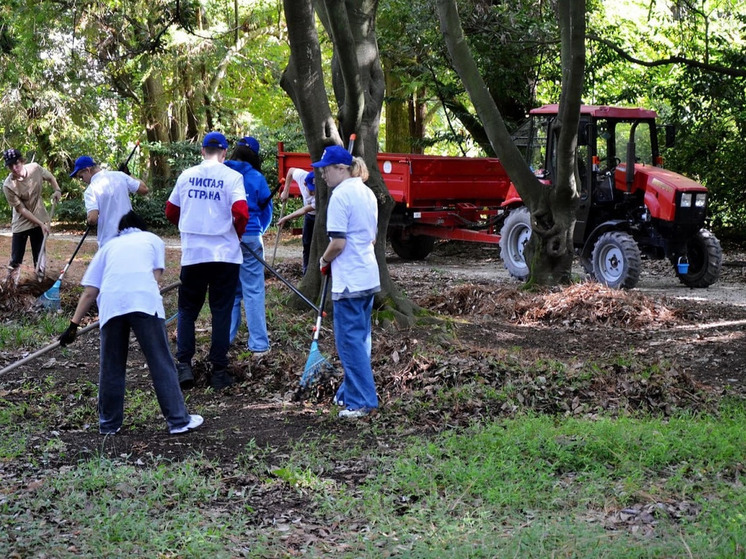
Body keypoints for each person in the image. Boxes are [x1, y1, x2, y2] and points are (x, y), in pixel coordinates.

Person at [58, 211, 203, 435]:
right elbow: (155, 277)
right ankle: (178, 421)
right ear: (142, 225)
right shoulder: (153, 239)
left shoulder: (108, 247)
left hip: (111, 304)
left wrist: (73, 325)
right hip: (144, 301)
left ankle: (108, 424)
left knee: (111, 365)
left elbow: (90, 292)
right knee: (160, 361)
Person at [165, 131, 248, 390]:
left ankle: (184, 366)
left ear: (202, 151)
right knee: (221, 311)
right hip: (225, 255)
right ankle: (219, 370)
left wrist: (189, 227)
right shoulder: (233, 177)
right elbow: (241, 213)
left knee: (188, 310)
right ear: (224, 153)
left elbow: (171, 211)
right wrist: (235, 234)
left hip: (194, 255)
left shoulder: (186, 175)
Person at [313, 145, 380, 419]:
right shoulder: (367, 193)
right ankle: (348, 392)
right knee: (361, 339)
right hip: (368, 276)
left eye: (326, 170)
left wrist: (323, 260)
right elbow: (372, 239)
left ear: (341, 169)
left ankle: (363, 401)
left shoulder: (340, 196)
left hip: (350, 281)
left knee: (349, 342)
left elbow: (338, 242)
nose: (323, 175)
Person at [226, 138, 273, 355]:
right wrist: (259, 230)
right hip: (250, 235)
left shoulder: (222, 174)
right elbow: (267, 211)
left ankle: (225, 339)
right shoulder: (256, 177)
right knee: (253, 290)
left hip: (226, 238)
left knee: (232, 291)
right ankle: (259, 344)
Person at [69, 155, 149, 248]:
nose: (82, 180)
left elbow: (92, 219)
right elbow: (144, 189)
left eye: (81, 177)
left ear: (88, 170)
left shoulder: (91, 190)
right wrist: (128, 174)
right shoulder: (120, 176)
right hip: (130, 235)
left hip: (109, 241)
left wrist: (89, 221)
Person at [3, 148, 62, 270]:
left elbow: (51, 178)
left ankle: (40, 281)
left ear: (22, 161)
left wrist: (57, 190)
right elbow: (21, 210)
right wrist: (41, 224)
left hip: (38, 214)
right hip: (21, 221)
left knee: (40, 255)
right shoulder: (8, 185)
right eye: (10, 166)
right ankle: (11, 285)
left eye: (16, 164)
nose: (14, 168)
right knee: (16, 258)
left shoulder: (35, 168)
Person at [278, 168, 316, 274]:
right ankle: (306, 272)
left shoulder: (319, 194)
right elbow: (290, 171)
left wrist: (286, 218)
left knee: (317, 244)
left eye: (315, 190)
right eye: (311, 189)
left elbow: (304, 210)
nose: (313, 193)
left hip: (318, 216)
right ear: (305, 183)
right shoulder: (302, 176)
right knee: (306, 243)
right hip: (309, 216)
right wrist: (286, 191)